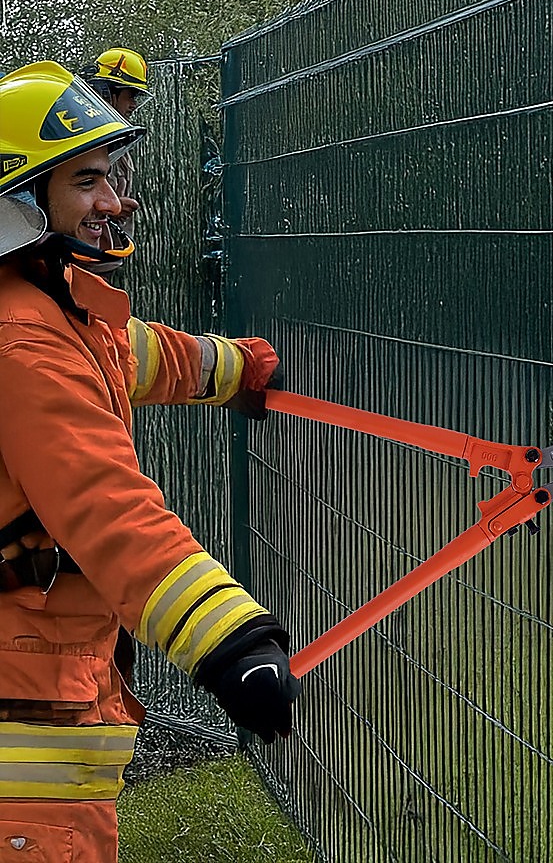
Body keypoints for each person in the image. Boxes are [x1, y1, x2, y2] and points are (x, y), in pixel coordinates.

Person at [0, 61, 300, 860]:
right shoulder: (23, 343)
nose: (115, 201)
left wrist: (237, 367)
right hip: (22, 734)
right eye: (86, 181)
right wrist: (232, 643)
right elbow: (107, 507)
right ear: (19, 204)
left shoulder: (49, 309)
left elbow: (136, 353)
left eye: (111, 176)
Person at [79, 47, 152, 271]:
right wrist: (113, 207)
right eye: (131, 95)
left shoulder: (116, 141)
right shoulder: (86, 141)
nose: (134, 105)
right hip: (84, 260)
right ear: (106, 93)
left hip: (104, 257)